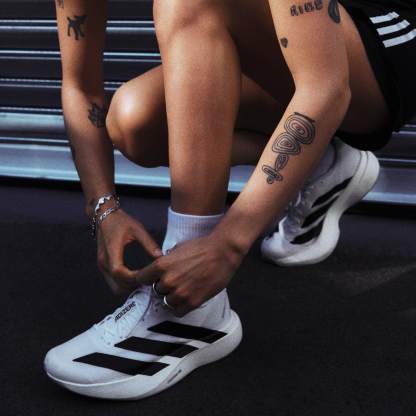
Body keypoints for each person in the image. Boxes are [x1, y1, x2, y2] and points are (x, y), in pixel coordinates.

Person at [44, 0, 416, 400]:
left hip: (380, 43)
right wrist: (103, 209)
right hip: (295, 54)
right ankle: (322, 163)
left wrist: (227, 243)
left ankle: (191, 313)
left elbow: (325, 87)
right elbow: (80, 86)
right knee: (135, 120)